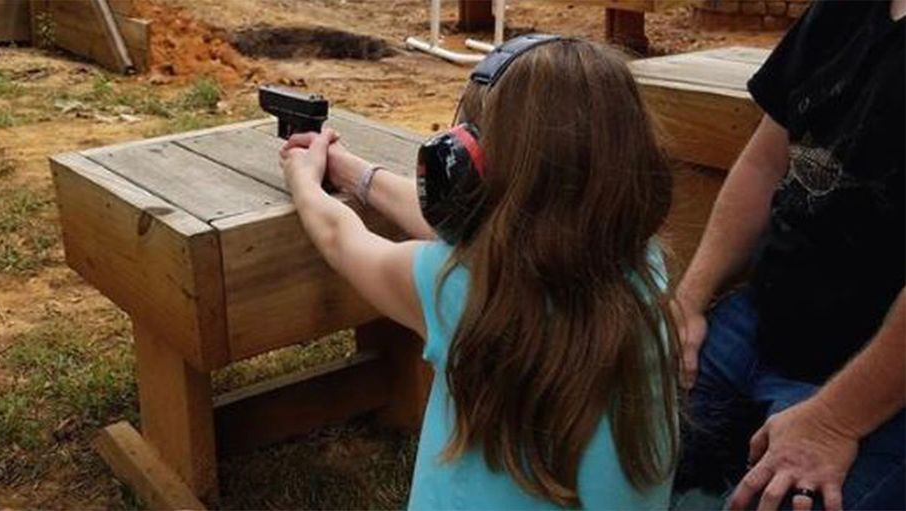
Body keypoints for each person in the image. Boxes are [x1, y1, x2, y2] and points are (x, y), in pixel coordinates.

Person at [279, 35, 680, 509]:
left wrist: (305, 180)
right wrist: (354, 173)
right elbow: (489, 229)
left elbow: (340, 239)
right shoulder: (642, 265)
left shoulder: (458, 288)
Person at [672, 1, 905, 510]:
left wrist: (832, 421)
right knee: (616, 434)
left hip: (875, 386)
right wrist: (690, 298)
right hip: (759, 318)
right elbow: (765, 162)